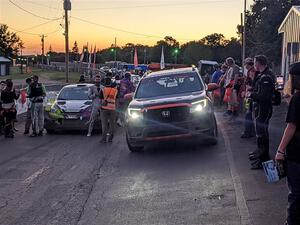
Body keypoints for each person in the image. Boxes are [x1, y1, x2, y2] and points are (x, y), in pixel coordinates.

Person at [275, 62, 300, 225]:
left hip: (297, 152)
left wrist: (280, 150)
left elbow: (291, 126)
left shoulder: (297, 98)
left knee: (296, 192)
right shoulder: (296, 99)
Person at [248, 55, 275, 169]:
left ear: (259, 63)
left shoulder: (266, 77)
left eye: (254, 63)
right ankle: (260, 155)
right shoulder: (261, 75)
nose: (254, 65)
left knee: (262, 135)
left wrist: (251, 94)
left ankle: (263, 160)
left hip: (263, 109)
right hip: (259, 108)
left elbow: (264, 96)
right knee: (260, 135)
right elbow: (257, 88)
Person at [241, 58, 257, 138]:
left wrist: (248, 88)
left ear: (248, 64)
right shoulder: (251, 71)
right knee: (249, 113)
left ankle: (248, 132)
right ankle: (251, 131)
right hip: (249, 95)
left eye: (245, 64)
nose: (245, 66)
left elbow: (253, 84)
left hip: (250, 96)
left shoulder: (252, 71)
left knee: (248, 113)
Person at [100, 77, 118, 143]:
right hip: (113, 108)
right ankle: (110, 138)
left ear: (104, 83)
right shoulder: (115, 90)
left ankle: (104, 139)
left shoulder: (103, 90)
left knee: (104, 125)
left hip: (104, 109)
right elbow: (116, 99)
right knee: (112, 124)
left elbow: (101, 100)